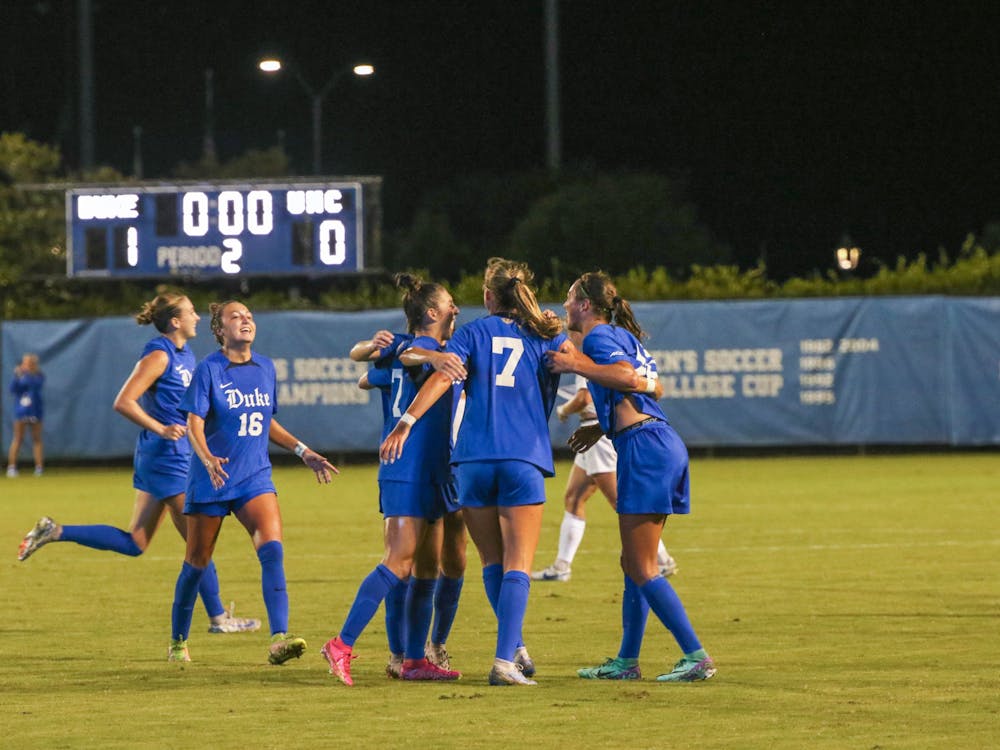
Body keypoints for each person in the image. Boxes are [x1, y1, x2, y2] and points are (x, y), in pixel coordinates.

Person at [17, 293, 260, 635]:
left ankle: (55, 531)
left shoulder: (183, 353)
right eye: (190, 312)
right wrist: (161, 427)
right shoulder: (160, 355)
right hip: (167, 458)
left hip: (166, 457)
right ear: (175, 321)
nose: (196, 317)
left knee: (136, 542)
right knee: (198, 542)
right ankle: (219, 618)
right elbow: (124, 401)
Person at [379, 258, 566, 686]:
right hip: (523, 457)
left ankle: (514, 641)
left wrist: (406, 422)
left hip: (473, 461)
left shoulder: (471, 333)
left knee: (490, 561)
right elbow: (572, 359)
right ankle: (505, 658)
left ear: (487, 297)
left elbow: (442, 377)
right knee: (517, 563)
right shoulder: (541, 337)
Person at [546, 271, 716, 682]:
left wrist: (574, 363)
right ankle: (626, 661)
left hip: (645, 447)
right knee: (632, 562)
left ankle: (696, 656)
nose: (565, 304)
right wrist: (602, 426)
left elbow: (626, 378)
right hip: (655, 441)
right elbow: (650, 389)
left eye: (570, 297)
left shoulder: (600, 337)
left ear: (586, 305)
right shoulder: (623, 335)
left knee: (642, 567)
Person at [167, 300, 337, 664]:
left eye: (248, 316)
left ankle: (279, 638)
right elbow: (194, 424)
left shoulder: (265, 368)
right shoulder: (209, 370)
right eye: (235, 317)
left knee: (272, 550)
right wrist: (208, 459)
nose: (245, 321)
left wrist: (302, 450)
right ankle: (178, 641)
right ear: (220, 330)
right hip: (213, 477)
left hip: (253, 478)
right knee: (196, 562)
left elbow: (265, 422)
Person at [323, 274, 466, 685]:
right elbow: (405, 356)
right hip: (407, 467)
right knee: (398, 561)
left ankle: (413, 659)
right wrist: (426, 357)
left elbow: (366, 374)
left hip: (436, 469)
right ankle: (341, 644)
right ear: (433, 312)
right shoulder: (429, 351)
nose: (456, 308)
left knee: (427, 569)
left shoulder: (417, 350)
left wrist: (376, 352)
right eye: (450, 302)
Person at [532, 334, 678, 582]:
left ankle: (662, 560)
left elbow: (583, 398)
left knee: (622, 503)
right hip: (593, 437)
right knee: (574, 497)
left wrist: (563, 410)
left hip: (597, 437)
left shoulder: (587, 356)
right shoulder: (601, 353)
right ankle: (562, 565)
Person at [7, 353, 45, 477]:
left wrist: (27, 374)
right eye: (24, 363)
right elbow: (12, 389)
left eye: (29, 363)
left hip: (35, 411)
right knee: (18, 438)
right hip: (21, 411)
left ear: (34, 364)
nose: (26, 365)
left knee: (37, 438)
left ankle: (39, 468)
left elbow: (36, 385)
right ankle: (12, 468)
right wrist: (17, 376)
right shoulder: (19, 376)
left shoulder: (38, 376)